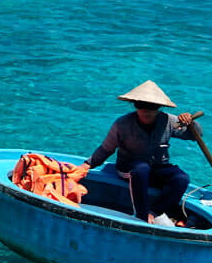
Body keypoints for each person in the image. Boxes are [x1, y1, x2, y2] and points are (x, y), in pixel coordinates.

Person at [77, 81, 201, 226]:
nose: (146, 110)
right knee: (141, 169)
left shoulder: (169, 121)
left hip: (157, 168)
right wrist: (88, 164)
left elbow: (195, 135)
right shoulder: (122, 124)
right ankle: (141, 215)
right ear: (135, 105)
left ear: (159, 107)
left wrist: (190, 123)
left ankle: (154, 212)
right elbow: (106, 148)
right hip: (130, 169)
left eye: (152, 106)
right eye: (141, 105)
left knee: (181, 178)